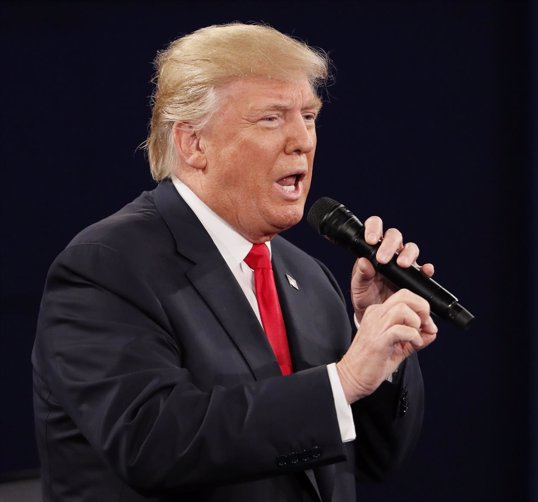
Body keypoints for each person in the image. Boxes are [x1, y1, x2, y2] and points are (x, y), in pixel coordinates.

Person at [32, 23, 437, 501]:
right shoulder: (107, 266)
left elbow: (374, 459)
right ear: (193, 143)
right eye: (271, 119)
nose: (302, 141)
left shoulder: (308, 277)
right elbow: (152, 442)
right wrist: (343, 380)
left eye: (308, 116)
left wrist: (379, 349)